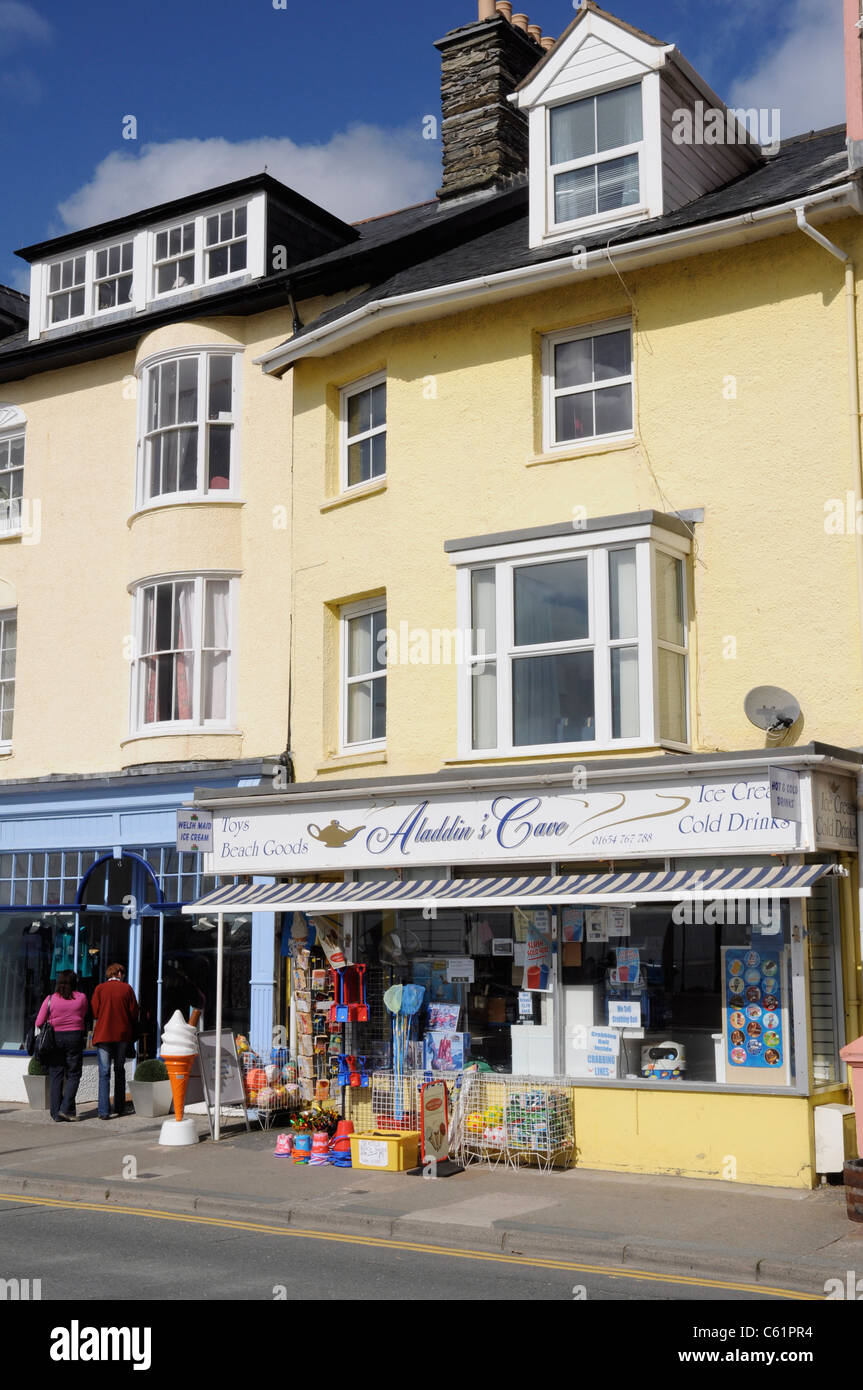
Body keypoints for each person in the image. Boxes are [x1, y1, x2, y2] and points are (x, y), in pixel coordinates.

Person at [35, 970, 88, 1122]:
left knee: (56, 1074)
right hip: (75, 1037)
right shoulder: (82, 998)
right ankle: (65, 1108)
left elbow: (39, 1022)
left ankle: (55, 1113)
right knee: (74, 1074)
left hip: (54, 1039)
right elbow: (83, 1014)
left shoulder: (50, 999)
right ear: (74, 983)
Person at [91, 963, 139, 1120]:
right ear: (119, 973)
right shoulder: (127, 989)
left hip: (103, 1034)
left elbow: (95, 1011)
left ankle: (104, 1111)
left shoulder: (99, 989)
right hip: (122, 1035)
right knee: (119, 1069)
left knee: (104, 1072)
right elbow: (134, 1012)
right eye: (122, 973)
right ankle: (119, 1106)